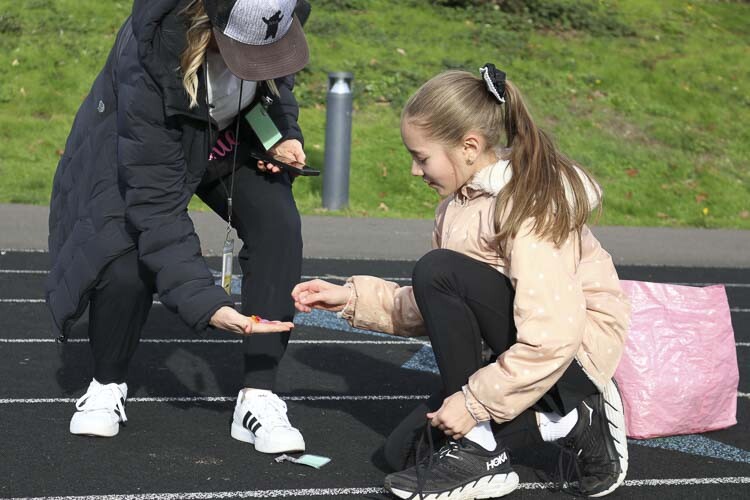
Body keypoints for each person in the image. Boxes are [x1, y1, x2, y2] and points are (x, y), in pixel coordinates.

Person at [292, 65, 631, 498]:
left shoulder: (526, 206)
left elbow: (554, 335)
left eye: (421, 157)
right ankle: (565, 421)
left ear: (469, 147)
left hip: (571, 356)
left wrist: (472, 406)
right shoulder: (457, 207)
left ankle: (492, 444)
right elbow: (437, 306)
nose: (414, 171)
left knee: (437, 269)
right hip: (527, 347)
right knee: (405, 454)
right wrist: (349, 299)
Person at [46, 0, 312, 455]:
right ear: (212, 27)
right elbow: (156, 209)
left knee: (279, 225)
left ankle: (258, 397)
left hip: (225, 139)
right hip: (137, 145)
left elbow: (274, 89)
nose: (258, 62)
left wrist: (281, 134)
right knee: (125, 259)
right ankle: (106, 384)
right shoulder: (150, 53)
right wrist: (207, 303)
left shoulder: (278, 14)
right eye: (245, 53)